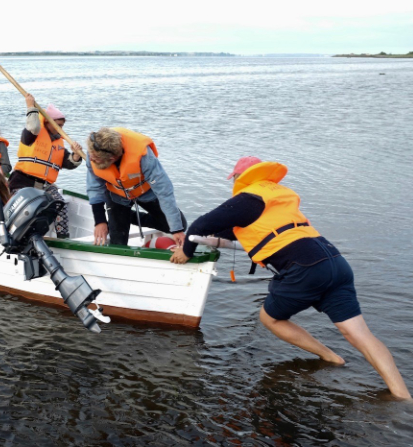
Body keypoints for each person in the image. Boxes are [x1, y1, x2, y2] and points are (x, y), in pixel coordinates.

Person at [170, 156, 411, 399]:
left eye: (233, 178)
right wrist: (198, 240)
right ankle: (402, 395)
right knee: (359, 334)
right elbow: (228, 231)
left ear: (238, 178)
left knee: (270, 318)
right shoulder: (276, 200)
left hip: (305, 267)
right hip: (335, 263)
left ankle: (330, 357)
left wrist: (185, 253)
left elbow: (201, 224)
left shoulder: (248, 198)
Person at [86, 127, 186, 247]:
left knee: (179, 225)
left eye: (96, 159)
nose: (91, 159)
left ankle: (130, 217)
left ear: (112, 159)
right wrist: (100, 221)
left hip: (145, 192)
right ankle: (118, 219)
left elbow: (164, 191)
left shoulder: (144, 156)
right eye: (91, 155)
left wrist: (177, 230)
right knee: (118, 242)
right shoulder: (93, 151)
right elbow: (95, 188)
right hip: (116, 195)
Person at [7, 93, 83, 238]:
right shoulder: (31, 134)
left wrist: (76, 155)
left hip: (45, 185)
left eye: (62, 126)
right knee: (26, 206)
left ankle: (63, 237)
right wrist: (30, 107)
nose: (60, 129)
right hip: (23, 181)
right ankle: (17, 234)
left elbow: (68, 162)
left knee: (59, 203)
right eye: (58, 125)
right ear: (47, 122)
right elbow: (34, 126)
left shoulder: (58, 143)